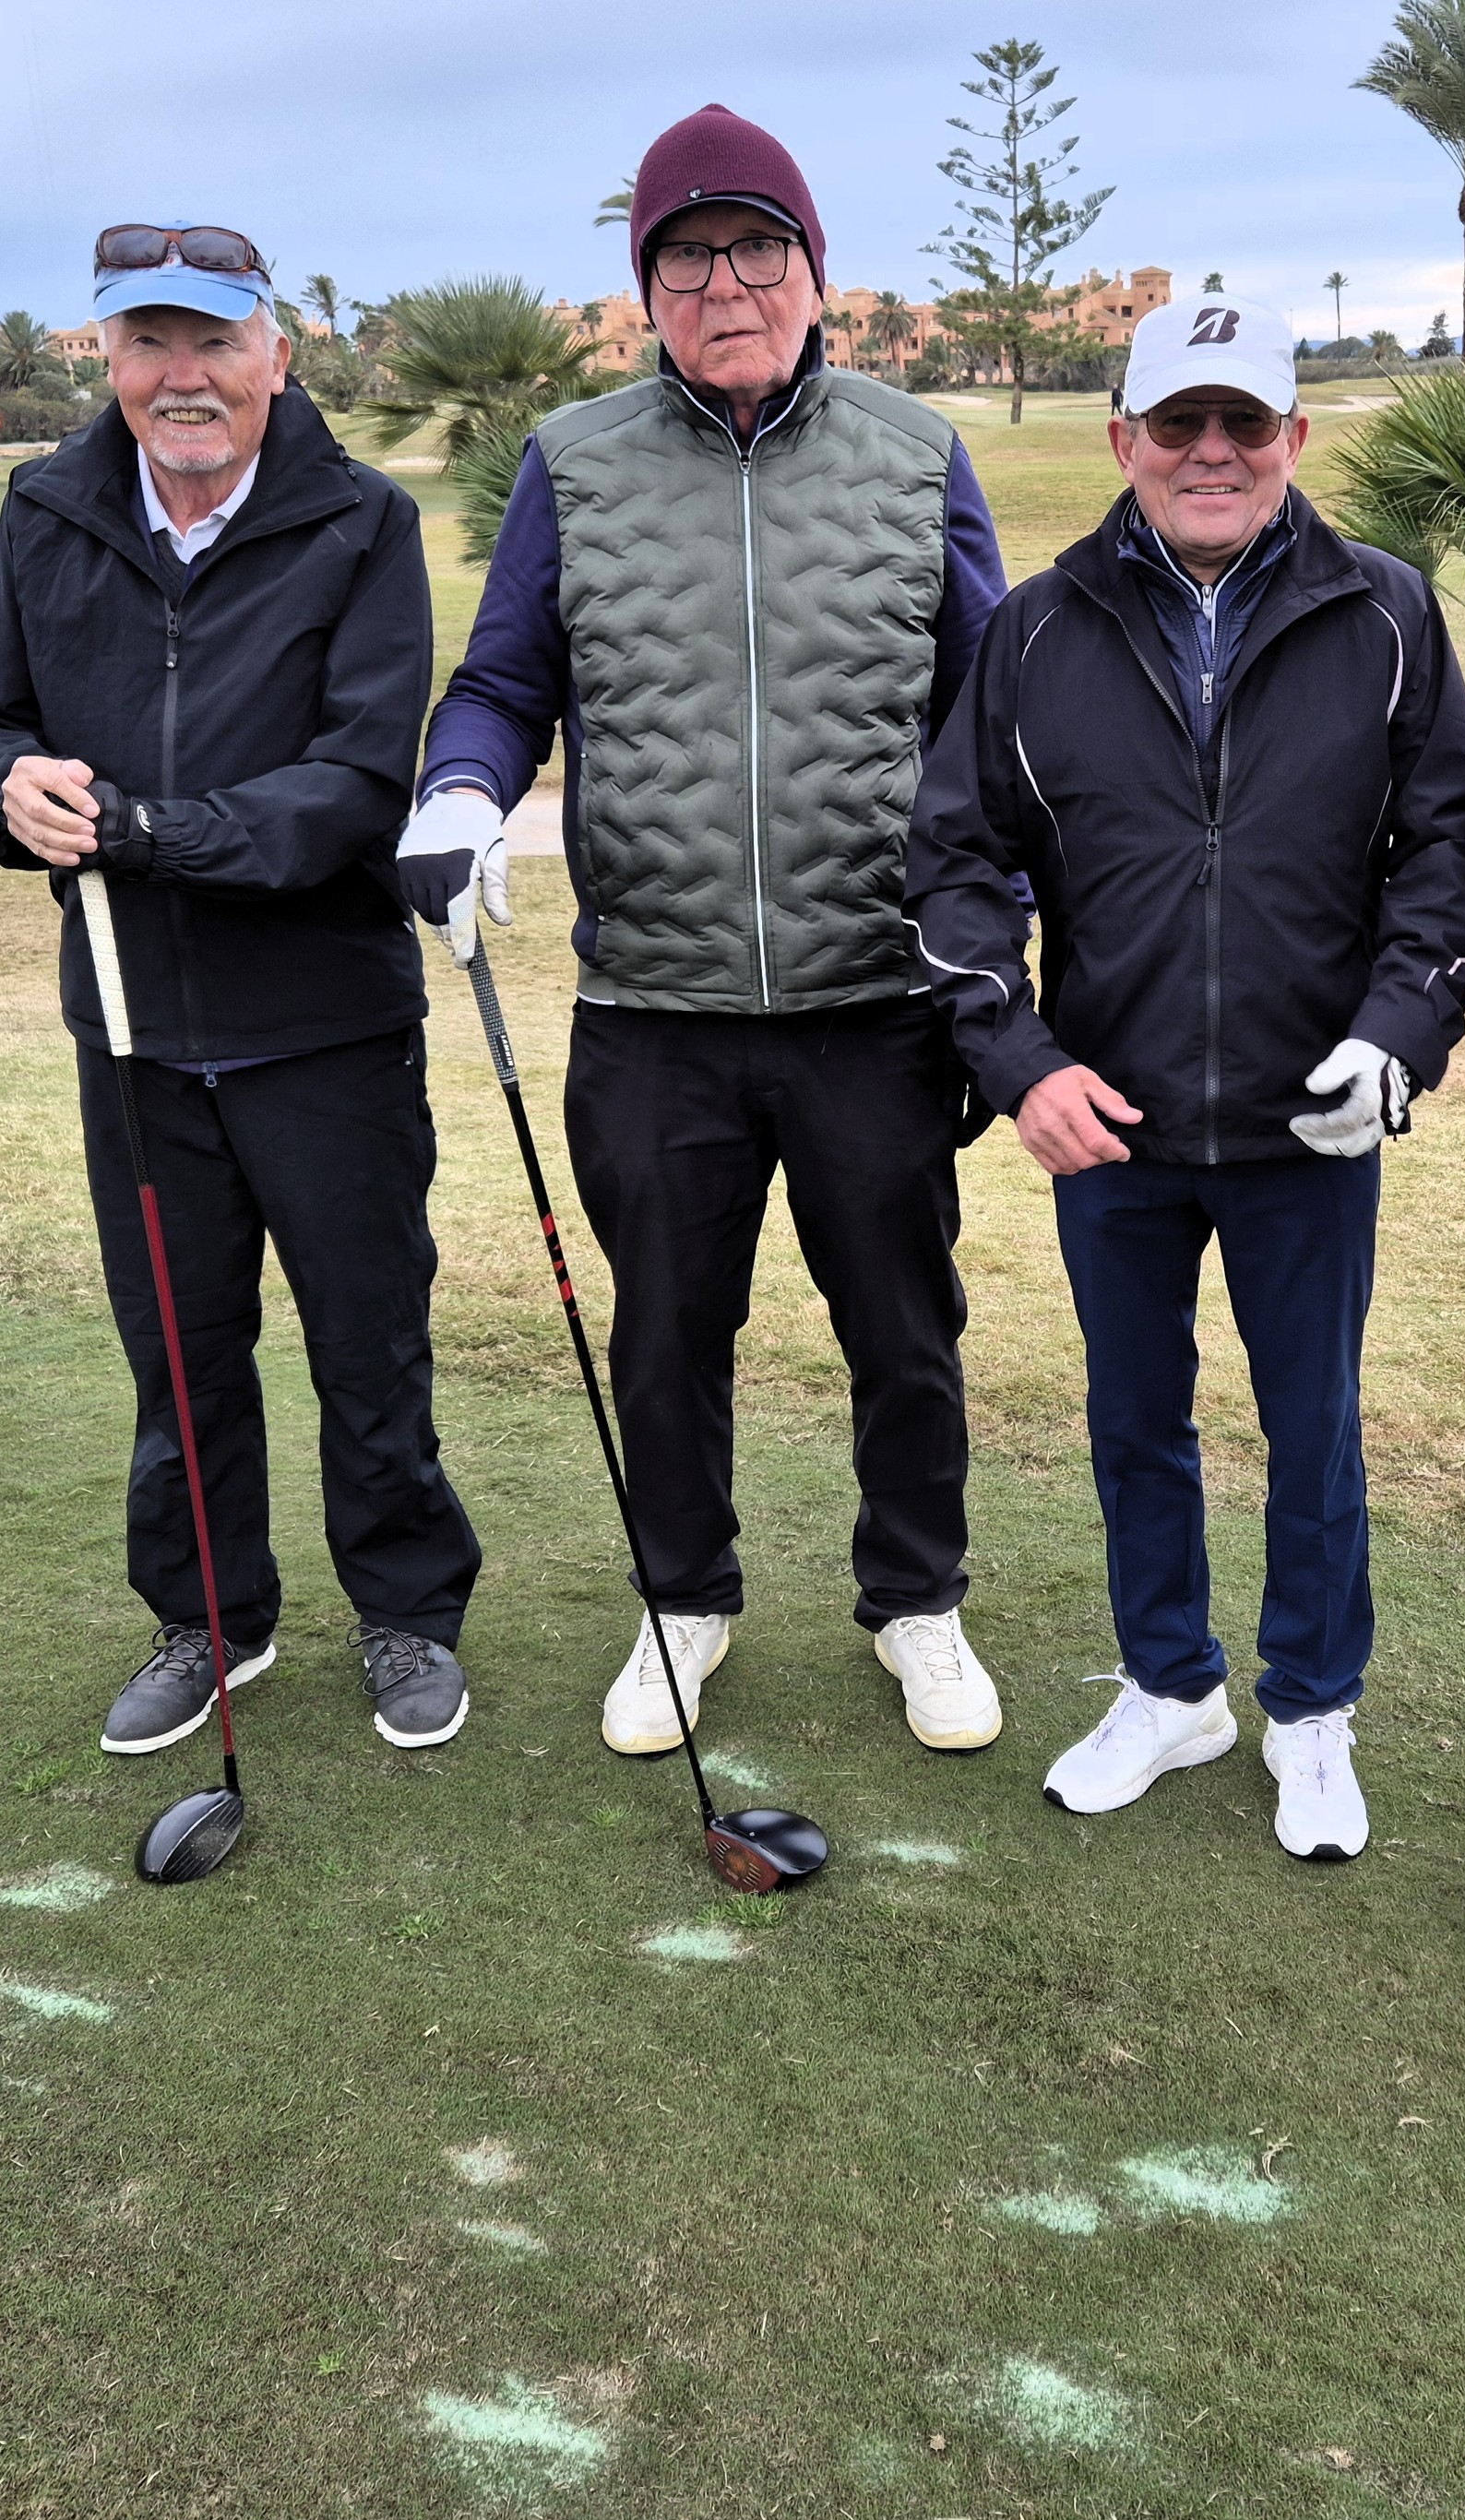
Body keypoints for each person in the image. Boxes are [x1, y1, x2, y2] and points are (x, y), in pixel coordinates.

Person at [401, 106, 1008, 1759]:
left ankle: (918, 1597)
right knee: (667, 1331)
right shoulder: (574, 462)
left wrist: (1000, 937)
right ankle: (685, 1597)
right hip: (654, 1005)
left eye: (755, 250)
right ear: (646, 291)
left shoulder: (916, 453)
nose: (724, 284)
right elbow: (504, 680)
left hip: (874, 995)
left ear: (815, 271)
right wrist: (461, 791)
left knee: (904, 1327)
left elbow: (994, 708)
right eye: (686, 259)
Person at [905, 294, 1465, 1861]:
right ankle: (1172, 1685)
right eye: (1181, 422)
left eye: (1245, 422)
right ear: (1126, 440)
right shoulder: (1036, 629)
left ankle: (1312, 1705)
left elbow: (1449, 852)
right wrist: (1020, 1063)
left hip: (1315, 1114)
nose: (1212, 451)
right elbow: (956, 864)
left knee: (1314, 1428)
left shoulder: (1384, 613)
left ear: (1295, 437)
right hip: (1116, 1118)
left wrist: (1400, 1035)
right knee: (1135, 1421)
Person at [0, 222, 482, 1754]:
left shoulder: (361, 523)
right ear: (107, 359)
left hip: (327, 1024)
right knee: (177, 1351)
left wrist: (152, 834)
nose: (184, 376)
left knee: (368, 1339)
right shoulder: (45, 511)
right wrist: (4, 787)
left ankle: (408, 1613)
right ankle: (211, 1620)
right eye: (149, 343)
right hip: (132, 1025)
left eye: (215, 342)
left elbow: (356, 782)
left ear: (274, 357)